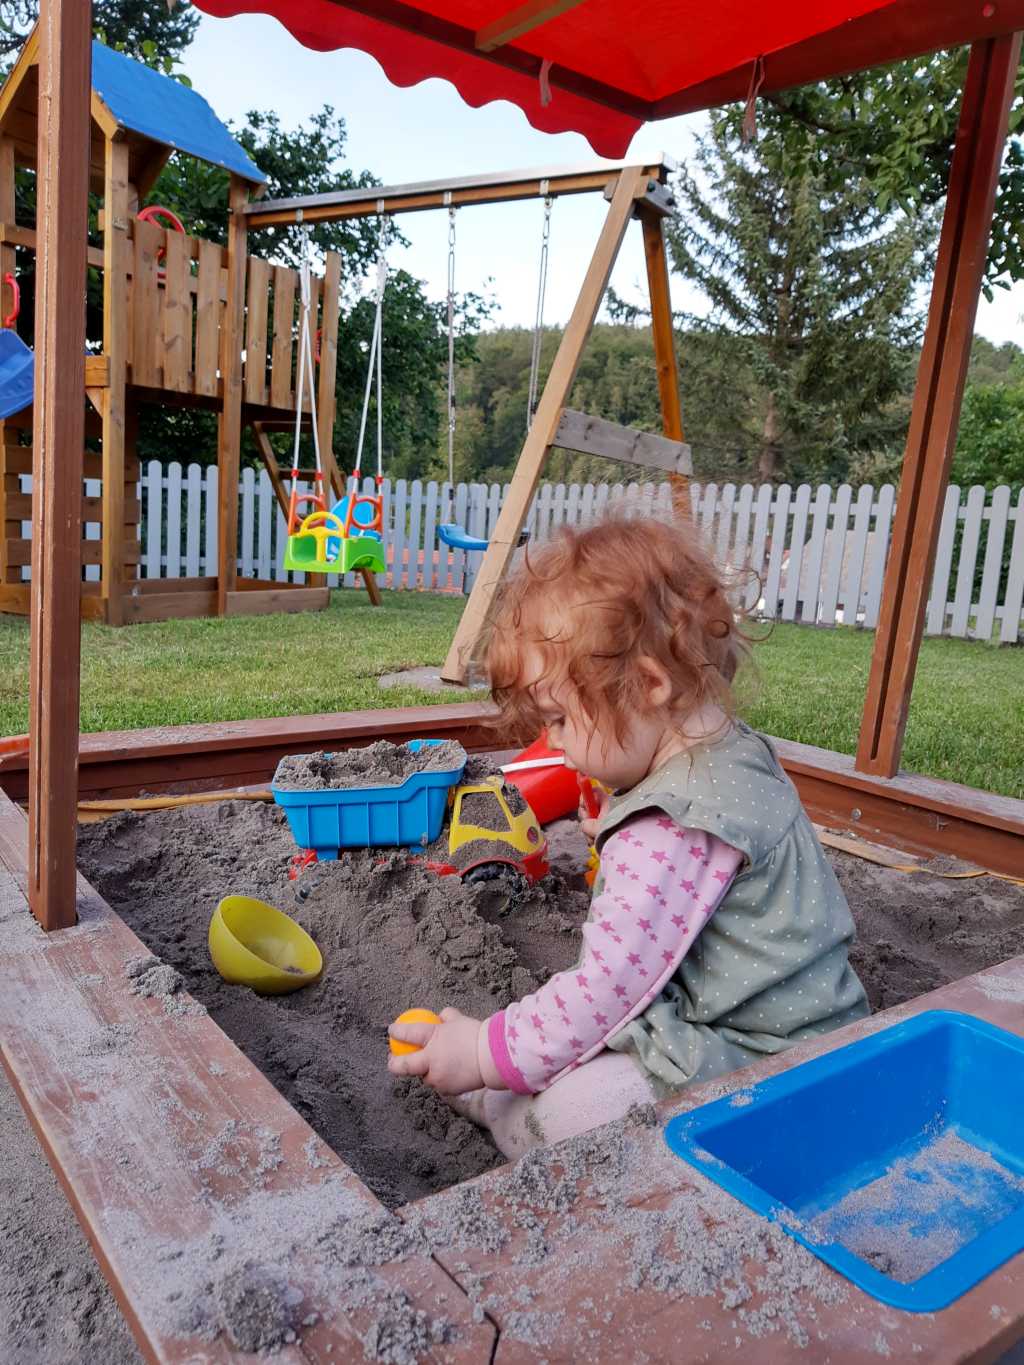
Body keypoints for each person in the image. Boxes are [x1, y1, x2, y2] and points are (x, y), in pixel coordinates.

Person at [388, 512, 869, 1156]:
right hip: (824, 1031)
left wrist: (483, 1051)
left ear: (648, 684)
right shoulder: (733, 755)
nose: (552, 743)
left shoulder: (672, 827)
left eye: (558, 719)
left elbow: (604, 992)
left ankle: (499, 1113)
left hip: (763, 1069)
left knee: (574, 1112)